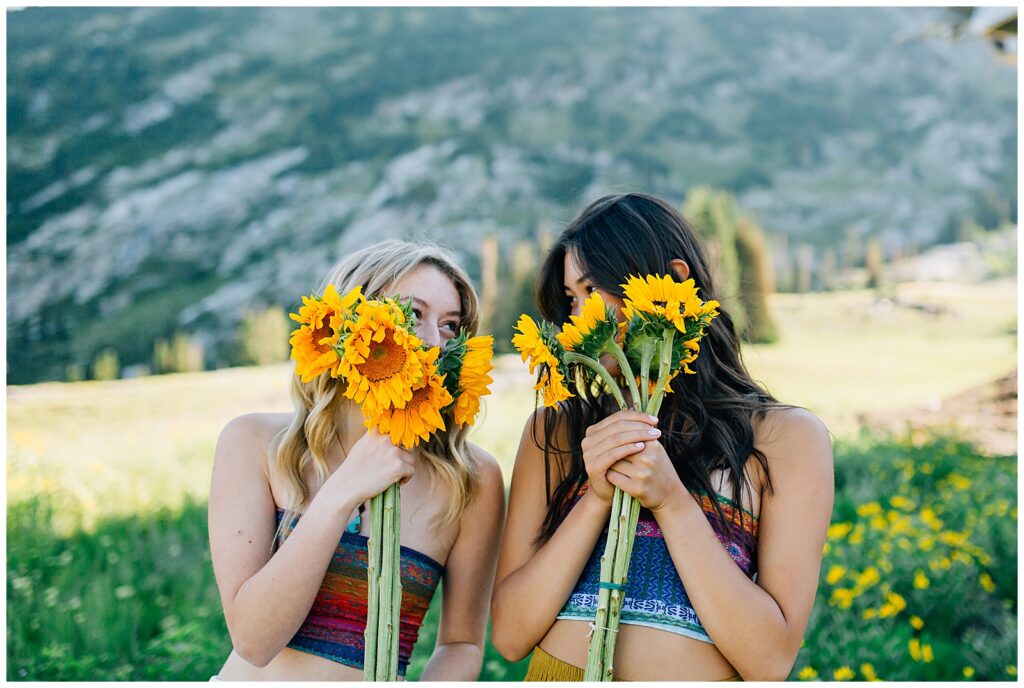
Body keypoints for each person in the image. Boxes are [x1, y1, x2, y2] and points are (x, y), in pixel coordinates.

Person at [491, 192, 834, 681]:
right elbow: (509, 635)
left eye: (592, 291)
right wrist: (595, 499)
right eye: (571, 301)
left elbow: (770, 662)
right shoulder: (556, 432)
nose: (577, 320)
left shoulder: (787, 439)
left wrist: (672, 502)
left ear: (674, 280)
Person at [209, 240, 505, 681]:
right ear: (352, 322)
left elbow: (461, 644)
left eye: (449, 326)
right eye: (413, 314)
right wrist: (344, 490)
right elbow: (254, 641)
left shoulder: (472, 478)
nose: (431, 341)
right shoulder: (253, 443)